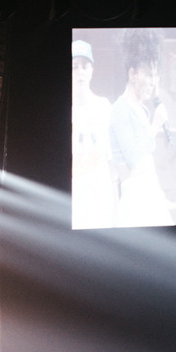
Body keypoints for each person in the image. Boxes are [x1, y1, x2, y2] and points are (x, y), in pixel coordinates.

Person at [108, 31, 175, 227]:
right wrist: (154, 126)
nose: (154, 82)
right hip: (135, 205)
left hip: (150, 198)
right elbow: (134, 158)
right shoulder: (120, 110)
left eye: (156, 75)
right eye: (149, 74)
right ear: (132, 74)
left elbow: (147, 161)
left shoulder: (143, 109)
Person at [69, 40, 118, 230]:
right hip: (75, 198)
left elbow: (113, 160)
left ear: (91, 70)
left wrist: (115, 201)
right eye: (75, 67)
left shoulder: (104, 107)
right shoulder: (66, 111)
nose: (80, 72)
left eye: (85, 66)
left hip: (100, 199)